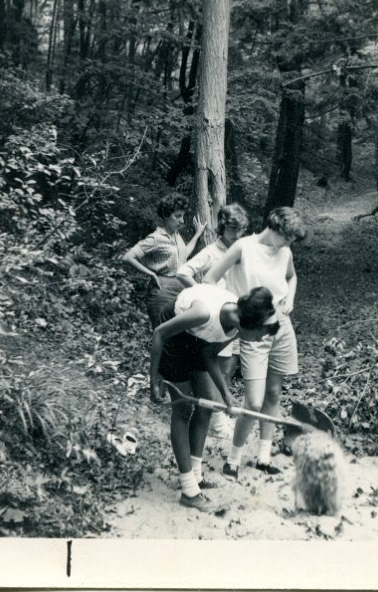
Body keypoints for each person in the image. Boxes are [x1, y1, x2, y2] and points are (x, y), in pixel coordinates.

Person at [149, 283, 279, 510]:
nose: (259, 341)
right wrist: (154, 379)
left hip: (198, 340)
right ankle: (189, 490)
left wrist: (227, 395)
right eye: (260, 335)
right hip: (174, 337)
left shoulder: (237, 326)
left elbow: (209, 356)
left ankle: (197, 476)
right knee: (182, 410)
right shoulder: (203, 312)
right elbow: (159, 333)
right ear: (247, 323)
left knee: (207, 406)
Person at [203, 207, 306, 480]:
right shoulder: (243, 247)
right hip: (253, 330)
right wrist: (231, 311)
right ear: (274, 227)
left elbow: (291, 276)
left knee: (273, 394)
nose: (288, 244)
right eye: (287, 238)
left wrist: (291, 298)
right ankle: (233, 459)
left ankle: (263, 456)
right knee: (254, 401)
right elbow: (209, 279)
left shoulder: (285, 252)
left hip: (281, 326)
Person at [176, 203, 250, 440]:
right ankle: (218, 423)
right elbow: (183, 271)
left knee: (229, 367)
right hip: (215, 319)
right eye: (232, 230)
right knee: (216, 367)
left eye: (241, 230)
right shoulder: (212, 251)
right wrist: (202, 294)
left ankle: (218, 415)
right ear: (222, 228)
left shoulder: (243, 251)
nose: (236, 235)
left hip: (237, 318)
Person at [122, 192, 206, 326]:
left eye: (183, 216)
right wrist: (150, 273)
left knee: (177, 336)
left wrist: (198, 234)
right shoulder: (156, 238)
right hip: (161, 291)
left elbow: (184, 254)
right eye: (177, 216)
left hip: (181, 289)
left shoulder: (177, 236)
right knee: (162, 333)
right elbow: (128, 257)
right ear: (166, 215)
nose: (182, 221)